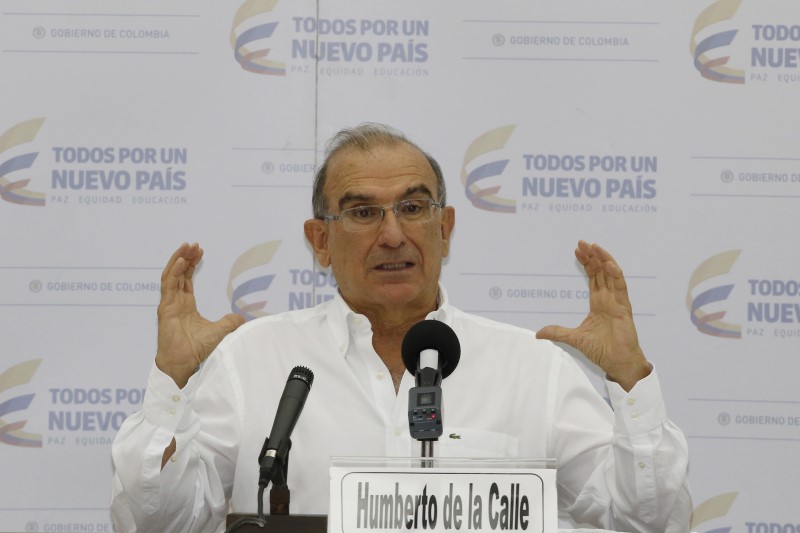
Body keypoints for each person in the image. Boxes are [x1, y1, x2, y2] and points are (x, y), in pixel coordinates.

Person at [110, 123, 692, 533]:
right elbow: (156, 523)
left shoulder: (531, 367)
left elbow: (652, 521)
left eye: (414, 208)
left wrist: (632, 382)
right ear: (320, 241)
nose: (393, 234)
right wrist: (170, 386)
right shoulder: (250, 362)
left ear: (446, 229)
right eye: (363, 212)